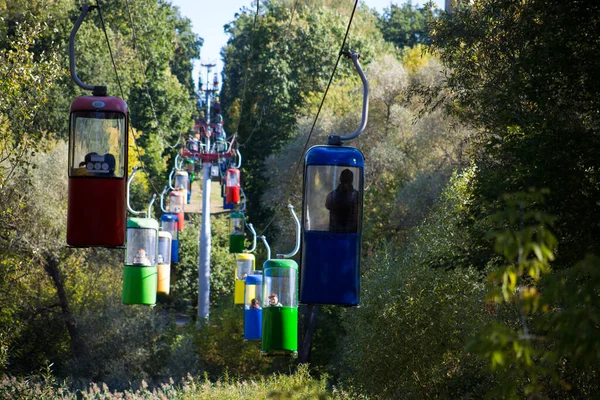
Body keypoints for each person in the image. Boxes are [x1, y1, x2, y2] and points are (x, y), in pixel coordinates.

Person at [325, 168, 360, 233]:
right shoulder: (357, 195)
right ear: (352, 180)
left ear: (340, 179)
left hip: (334, 232)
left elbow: (327, 205)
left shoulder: (332, 195)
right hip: (351, 233)